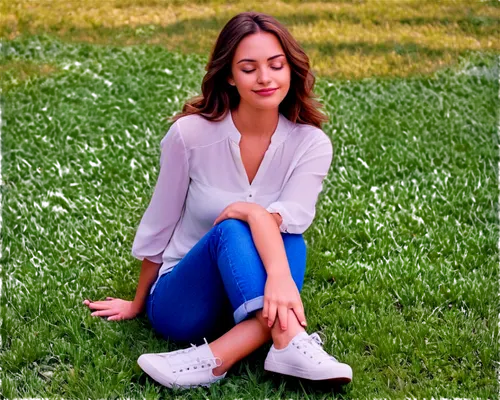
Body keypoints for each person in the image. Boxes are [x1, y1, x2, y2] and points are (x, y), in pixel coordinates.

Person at [82, 11, 353, 390]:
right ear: (229, 75)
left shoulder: (310, 144)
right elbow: (160, 222)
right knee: (232, 229)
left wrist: (251, 217)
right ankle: (289, 339)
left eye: (276, 65)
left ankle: (212, 360)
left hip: (247, 294)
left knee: (288, 233)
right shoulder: (189, 136)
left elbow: (291, 218)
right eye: (248, 68)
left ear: (291, 70)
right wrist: (137, 302)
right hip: (183, 301)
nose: (265, 78)